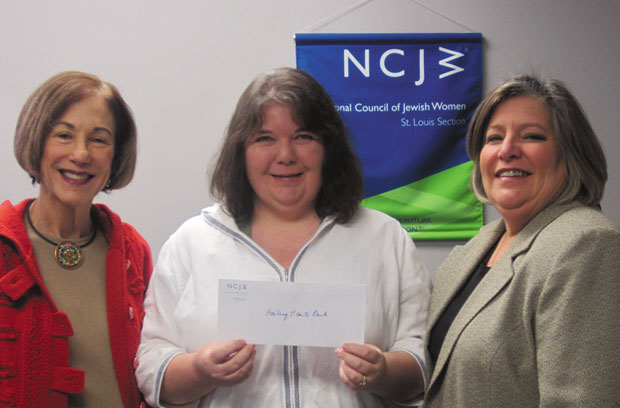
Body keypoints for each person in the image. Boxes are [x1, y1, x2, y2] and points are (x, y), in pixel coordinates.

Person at [136, 67, 431, 407]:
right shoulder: (191, 244)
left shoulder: (384, 239)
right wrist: (200, 371)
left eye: (303, 136)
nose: (286, 155)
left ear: (328, 148)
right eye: (264, 138)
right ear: (241, 152)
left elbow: (423, 363)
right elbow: (151, 366)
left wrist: (384, 371)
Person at [424, 74, 620, 406]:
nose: (507, 151)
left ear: (570, 154)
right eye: (494, 138)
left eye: (531, 136)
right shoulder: (469, 254)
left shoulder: (587, 244)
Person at [0, 71, 152, 407]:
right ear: (36, 143)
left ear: (116, 155)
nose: (81, 154)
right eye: (64, 135)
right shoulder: (3, 247)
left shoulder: (132, 251)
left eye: (99, 139)